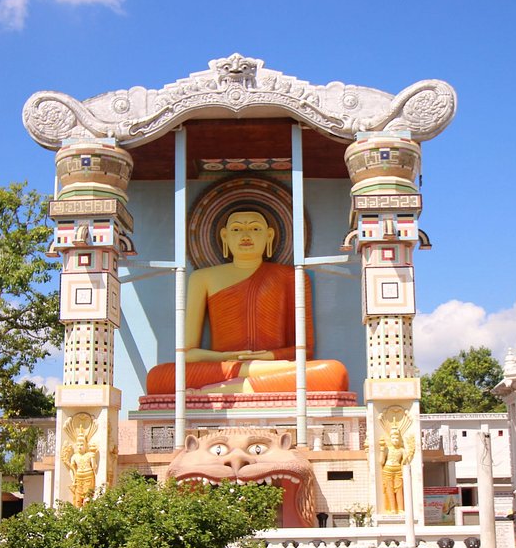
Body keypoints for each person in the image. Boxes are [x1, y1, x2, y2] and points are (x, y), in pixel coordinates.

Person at [146, 210, 349, 394]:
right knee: (158, 377)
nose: (245, 235)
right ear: (224, 236)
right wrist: (230, 358)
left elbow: (304, 350)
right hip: (228, 368)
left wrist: (266, 356)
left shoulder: (292, 277)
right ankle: (245, 384)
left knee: (333, 372)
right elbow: (187, 353)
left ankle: (228, 389)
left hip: (274, 366)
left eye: (254, 228)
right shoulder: (202, 278)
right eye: (236, 229)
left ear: (269, 235)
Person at [379, 430, 414, 513]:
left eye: (397, 438)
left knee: (399, 490)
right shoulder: (387, 449)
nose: (395, 439)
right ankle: (393, 509)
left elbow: (406, 461)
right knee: (389, 490)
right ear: (390, 438)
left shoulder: (402, 450)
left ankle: (401, 509)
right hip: (387, 470)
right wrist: (381, 449)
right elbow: (381, 462)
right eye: (393, 437)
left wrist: (410, 453)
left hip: (398, 471)